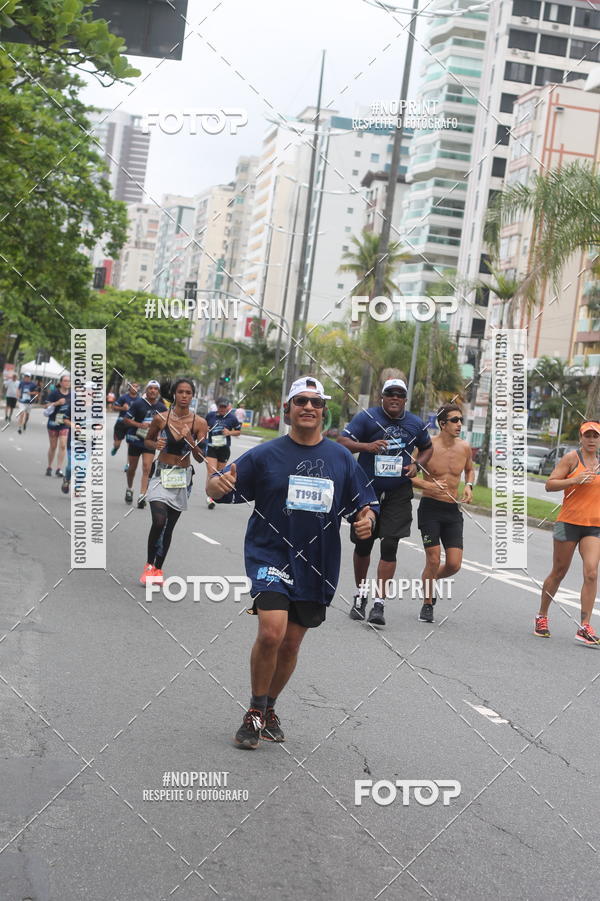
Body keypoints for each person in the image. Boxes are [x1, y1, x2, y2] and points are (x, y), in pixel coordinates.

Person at [207, 376, 378, 749]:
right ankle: (254, 711)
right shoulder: (265, 455)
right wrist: (214, 486)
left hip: (317, 563)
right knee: (272, 632)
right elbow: (220, 485)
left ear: (323, 411)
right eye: (301, 401)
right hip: (270, 553)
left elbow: (364, 505)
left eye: (316, 402)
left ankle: (269, 707)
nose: (308, 407)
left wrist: (367, 520)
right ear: (288, 410)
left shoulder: (341, 459)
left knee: (291, 643)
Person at [338, 378, 433, 626]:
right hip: (366, 490)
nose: (395, 398)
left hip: (398, 491)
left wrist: (417, 464)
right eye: (390, 393)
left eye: (400, 394)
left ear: (405, 399)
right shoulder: (367, 417)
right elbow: (343, 443)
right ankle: (361, 594)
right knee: (364, 545)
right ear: (382, 397)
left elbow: (427, 447)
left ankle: (379, 603)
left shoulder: (415, 423)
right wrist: (366, 446)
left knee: (390, 544)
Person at [535, 421, 600, 646]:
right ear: (581, 438)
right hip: (567, 523)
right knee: (559, 571)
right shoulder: (572, 459)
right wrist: (574, 479)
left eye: (595, 436)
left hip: (594, 526)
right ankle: (542, 616)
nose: (591, 439)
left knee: (591, 573)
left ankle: (585, 626)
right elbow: (549, 484)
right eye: (587, 435)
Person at [139, 379, 207, 585]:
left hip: (182, 478)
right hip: (161, 474)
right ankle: (148, 565)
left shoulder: (199, 423)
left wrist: (191, 441)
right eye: (180, 392)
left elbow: (201, 458)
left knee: (168, 527)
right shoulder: (160, 418)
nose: (184, 395)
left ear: (192, 396)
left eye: (188, 392)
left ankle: (158, 569)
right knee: (159, 521)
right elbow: (147, 440)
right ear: (174, 394)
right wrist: (155, 444)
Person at [411, 404, 474, 623]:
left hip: (452, 510)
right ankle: (427, 604)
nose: (459, 424)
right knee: (434, 558)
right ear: (442, 423)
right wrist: (427, 485)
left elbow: (469, 469)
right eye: (455, 420)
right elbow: (409, 474)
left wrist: (469, 486)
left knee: (454, 564)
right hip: (430, 508)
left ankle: (429, 578)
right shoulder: (427, 446)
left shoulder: (464, 447)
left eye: (460, 420)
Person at [121, 380, 167, 507]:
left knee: (147, 467)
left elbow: (165, 425)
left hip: (150, 442)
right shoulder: (138, 404)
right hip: (135, 440)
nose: (153, 391)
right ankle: (129, 488)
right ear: (146, 390)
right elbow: (126, 420)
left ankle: (142, 495)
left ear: (158, 392)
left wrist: (160, 435)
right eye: (150, 388)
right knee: (132, 468)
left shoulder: (162, 408)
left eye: (155, 389)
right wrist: (139, 425)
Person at [205, 396, 242, 510]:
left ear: (227, 407)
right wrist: (206, 429)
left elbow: (238, 432)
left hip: (224, 449)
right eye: (220, 407)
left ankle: (212, 495)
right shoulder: (210, 415)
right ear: (217, 406)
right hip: (211, 448)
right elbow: (203, 426)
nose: (222, 409)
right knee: (211, 472)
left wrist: (229, 433)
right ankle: (210, 497)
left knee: (218, 474)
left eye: (224, 407)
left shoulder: (232, 418)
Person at [45, 373, 71, 477]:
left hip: (64, 423)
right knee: (53, 446)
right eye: (65, 381)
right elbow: (46, 406)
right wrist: (57, 403)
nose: (67, 383)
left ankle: (59, 468)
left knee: (63, 445)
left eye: (69, 381)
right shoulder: (54, 393)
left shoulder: (72, 395)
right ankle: (49, 467)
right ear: (60, 383)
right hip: (53, 422)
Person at [111, 382, 139, 456]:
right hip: (121, 423)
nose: (134, 388)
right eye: (133, 386)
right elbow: (114, 407)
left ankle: (129, 462)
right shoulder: (123, 397)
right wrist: (122, 408)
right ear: (129, 388)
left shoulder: (140, 400)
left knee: (131, 446)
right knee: (117, 444)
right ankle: (116, 448)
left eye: (136, 386)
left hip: (132, 424)